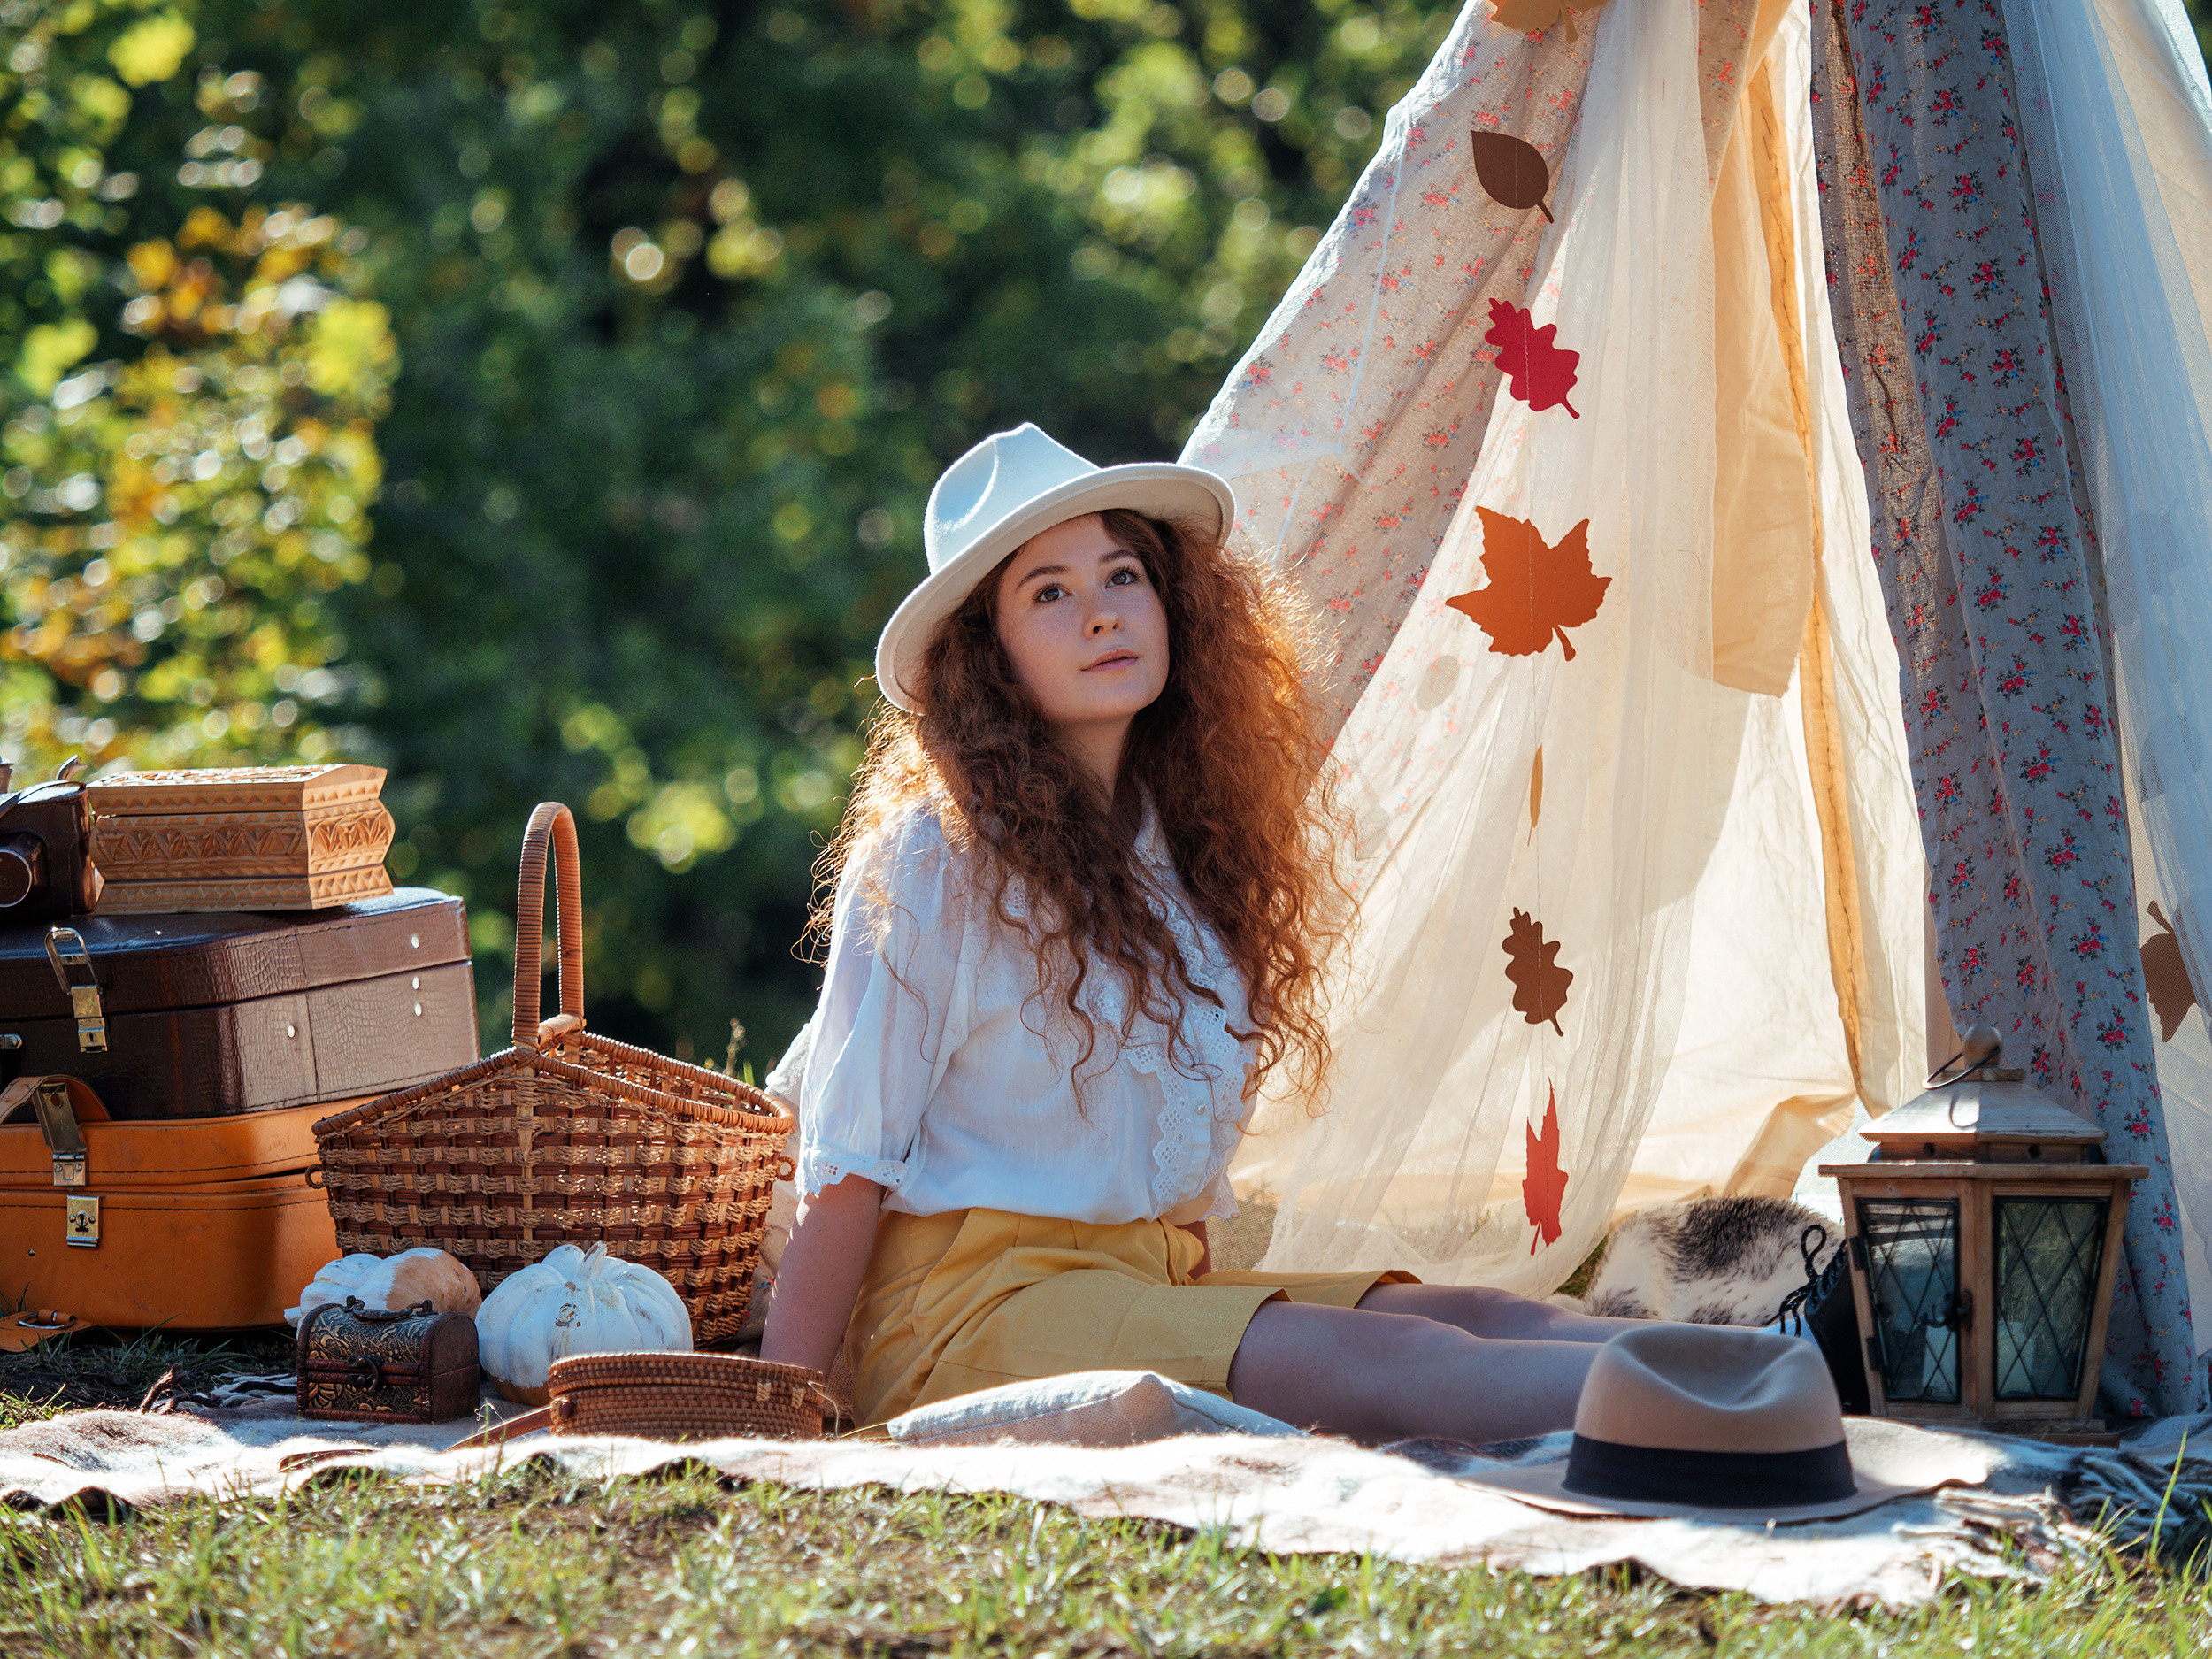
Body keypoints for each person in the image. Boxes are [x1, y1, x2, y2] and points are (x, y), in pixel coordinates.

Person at [759, 423, 1682, 1442]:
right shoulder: (935, 858)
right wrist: (779, 1417)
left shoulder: (1184, 846)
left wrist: (1220, 1310)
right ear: (992, 658)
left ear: (1172, 603)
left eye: (1122, 575)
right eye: (1049, 594)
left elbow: (1181, 1196)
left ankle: (1794, 1377)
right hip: (967, 1317)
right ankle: (1731, 1419)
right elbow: (844, 1175)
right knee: (1405, 1361)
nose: (1102, 614)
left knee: (1479, 1315)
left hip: (1140, 1281)